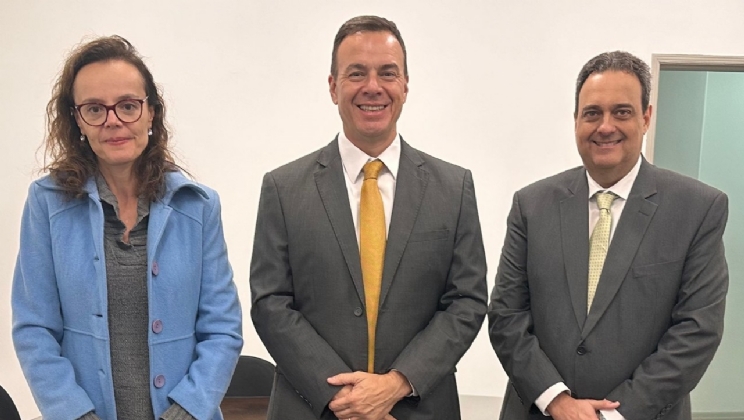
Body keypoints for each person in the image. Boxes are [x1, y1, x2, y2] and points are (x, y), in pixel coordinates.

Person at [250, 15, 488, 420]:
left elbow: (467, 301)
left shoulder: (454, 188)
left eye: (388, 73)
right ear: (333, 86)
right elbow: (270, 302)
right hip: (314, 407)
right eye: (356, 73)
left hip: (417, 406)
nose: (373, 87)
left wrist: (396, 383)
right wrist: (347, 398)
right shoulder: (283, 189)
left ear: (405, 85)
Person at [11, 36, 243, 420]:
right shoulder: (46, 203)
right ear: (77, 120)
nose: (113, 120)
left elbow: (223, 329)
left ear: (151, 113)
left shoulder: (198, 206)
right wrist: (75, 414)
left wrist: (185, 412)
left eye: (128, 105)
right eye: (94, 109)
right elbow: (34, 330)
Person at [488, 51, 729, 420]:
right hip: (540, 411)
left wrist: (613, 415)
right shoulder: (531, 205)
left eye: (622, 112)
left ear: (646, 117)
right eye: (592, 113)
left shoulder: (697, 208)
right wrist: (557, 401)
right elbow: (506, 316)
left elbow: (696, 331)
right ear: (575, 120)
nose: (605, 126)